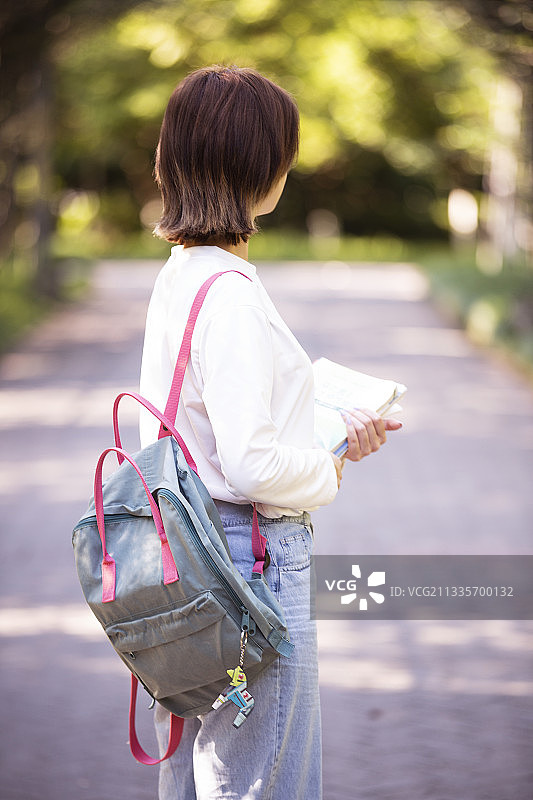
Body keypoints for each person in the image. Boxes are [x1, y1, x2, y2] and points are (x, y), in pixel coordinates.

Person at [139, 64, 402, 800]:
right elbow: (252, 467)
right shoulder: (230, 293)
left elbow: (196, 422)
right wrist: (333, 458)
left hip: (185, 557)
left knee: (197, 775)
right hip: (249, 564)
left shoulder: (181, 273)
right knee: (261, 782)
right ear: (263, 165)